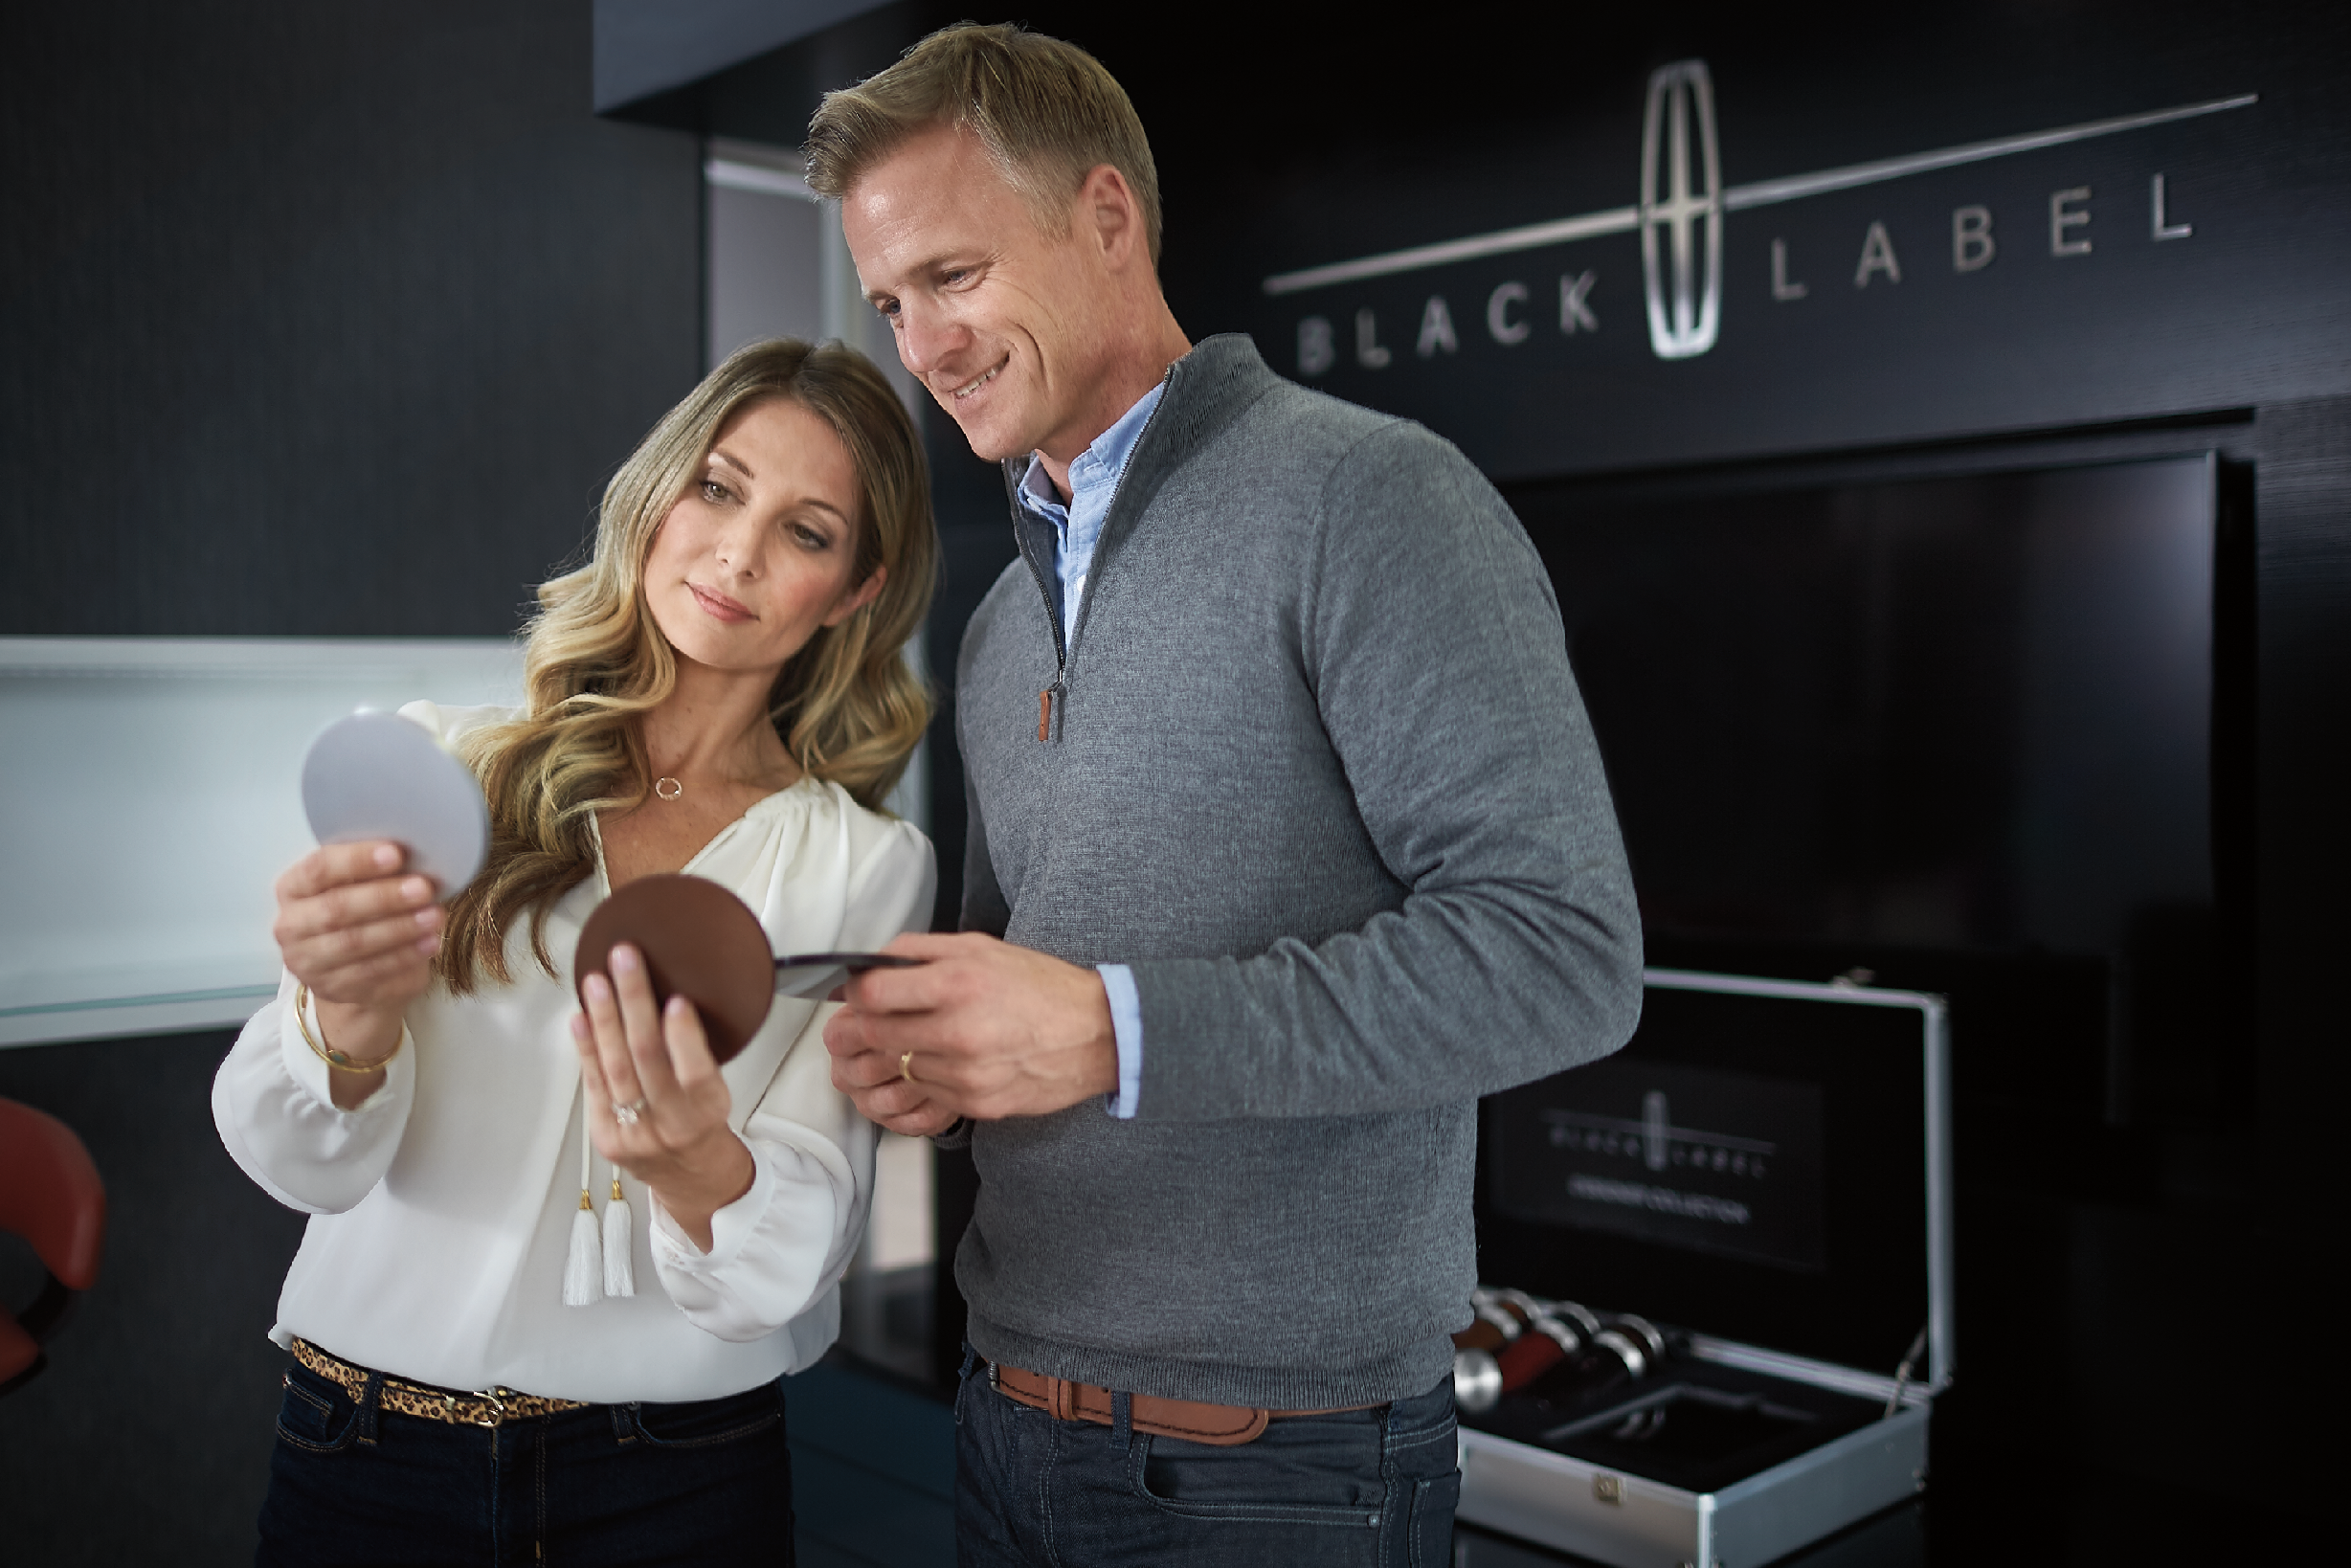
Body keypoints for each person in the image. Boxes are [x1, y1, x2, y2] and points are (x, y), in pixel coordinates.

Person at [807, 23, 1644, 1568]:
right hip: (1000, 1422)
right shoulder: (998, 618)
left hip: (1279, 1471)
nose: (921, 345)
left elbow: (1563, 956)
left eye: (955, 275)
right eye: (890, 301)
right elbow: (1031, 986)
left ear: (1107, 218)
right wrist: (938, 1067)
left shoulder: (1369, 500)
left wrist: (1113, 1029)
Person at [213, 339, 938, 1567]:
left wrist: (703, 1167)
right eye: (717, 486)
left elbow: (801, 1239)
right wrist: (343, 1025)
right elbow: (297, 1164)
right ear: (657, 493)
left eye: (805, 532)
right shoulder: (443, 765)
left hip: (674, 1478)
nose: (737, 552)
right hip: (362, 1453)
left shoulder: (863, 866)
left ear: (857, 590)